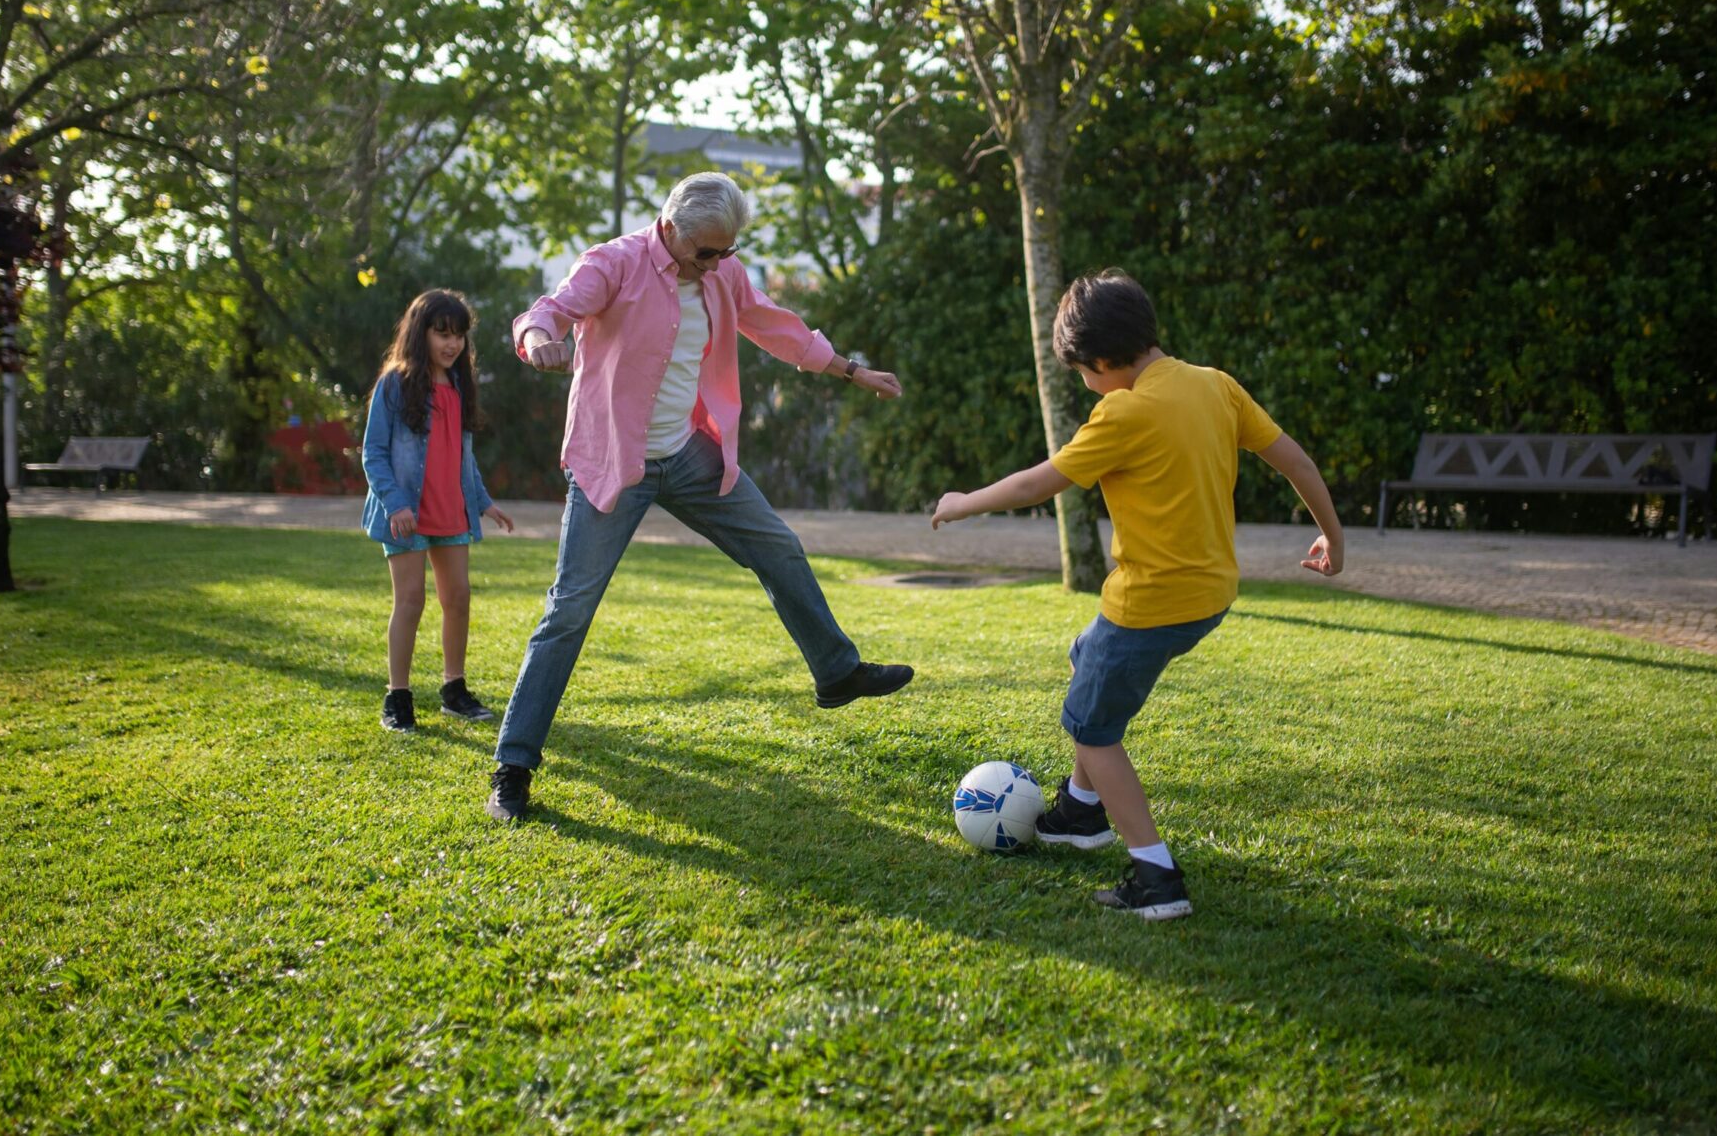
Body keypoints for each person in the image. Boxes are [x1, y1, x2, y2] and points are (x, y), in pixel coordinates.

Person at [486, 172, 914, 821]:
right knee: (569, 610)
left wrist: (849, 369)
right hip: (615, 462)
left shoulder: (723, 275)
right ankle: (513, 767)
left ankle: (837, 672)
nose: (716, 264)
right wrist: (535, 339)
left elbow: (775, 327)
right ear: (670, 228)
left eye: (726, 252)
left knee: (778, 547)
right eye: (706, 251)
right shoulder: (615, 264)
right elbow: (550, 308)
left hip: (689, 454)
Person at [931, 268, 1344, 920]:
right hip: (1211, 592)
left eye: (1082, 373)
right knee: (1083, 656)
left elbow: (1037, 485)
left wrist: (961, 504)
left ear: (1099, 361)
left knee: (1093, 729)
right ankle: (1079, 812)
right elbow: (1295, 460)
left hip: (1151, 603)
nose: (1085, 384)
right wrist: (1332, 536)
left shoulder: (1124, 410)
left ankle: (1156, 878)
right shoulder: (1216, 385)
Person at [360, 289, 515, 732]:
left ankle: (454, 690)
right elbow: (373, 453)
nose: (452, 344)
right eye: (441, 333)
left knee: (459, 598)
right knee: (410, 601)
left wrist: (483, 502)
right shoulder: (395, 384)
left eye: (459, 336)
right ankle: (398, 696)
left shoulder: (459, 386)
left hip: (450, 509)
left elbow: (462, 456)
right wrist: (395, 504)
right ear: (420, 332)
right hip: (405, 513)